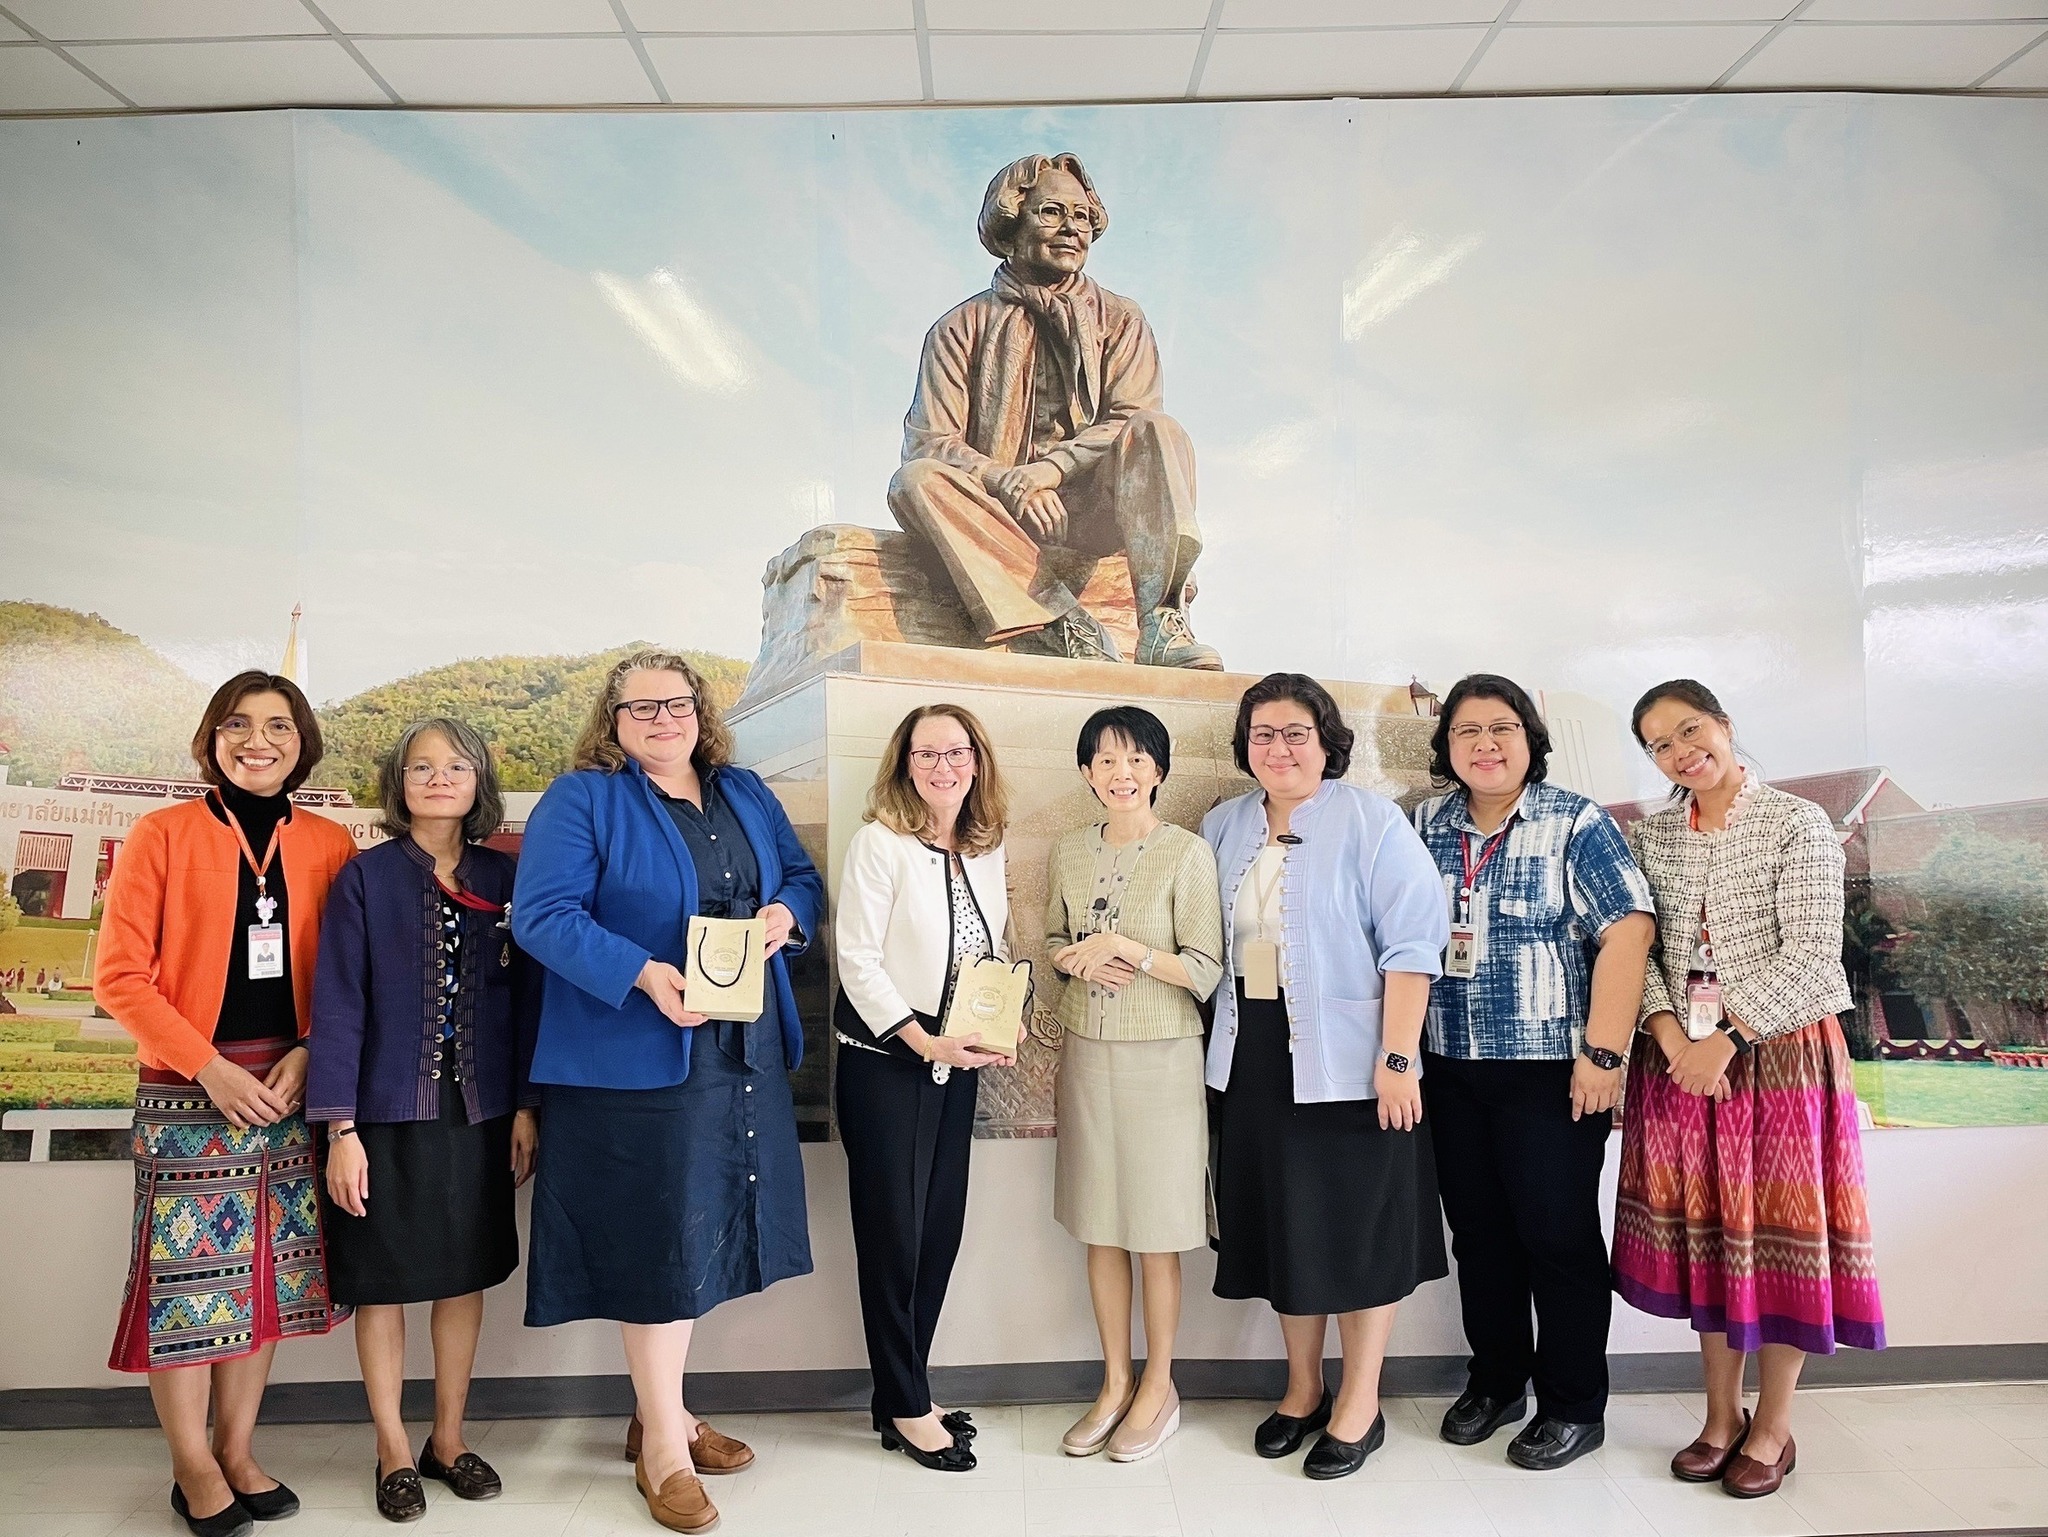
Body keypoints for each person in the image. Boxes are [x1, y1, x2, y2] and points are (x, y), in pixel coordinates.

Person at [512, 650, 823, 1535]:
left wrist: (784, 915)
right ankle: (663, 1451)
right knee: (660, 1244)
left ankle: (665, 1412)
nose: (660, 718)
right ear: (611, 721)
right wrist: (645, 973)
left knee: (701, 1236)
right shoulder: (584, 799)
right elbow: (543, 916)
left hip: (740, 1053)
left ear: (700, 709)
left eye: (675, 703)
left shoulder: (746, 790)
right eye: (638, 706)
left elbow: (802, 879)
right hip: (634, 1060)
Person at [96, 671, 358, 1537]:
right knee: (190, 1284)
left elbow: (351, 977)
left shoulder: (328, 842)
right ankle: (192, 1462)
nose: (260, 740)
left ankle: (238, 1447)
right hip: (188, 1087)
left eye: (279, 726)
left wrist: (314, 1048)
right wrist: (207, 1068)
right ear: (212, 738)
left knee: (264, 1280)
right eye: (239, 725)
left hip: (289, 1084)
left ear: (302, 740)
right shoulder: (161, 833)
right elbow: (119, 978)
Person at [1616, 679, 1885, 1500]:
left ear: (1724, 725)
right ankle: (1719, 1416)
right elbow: (1645, 951)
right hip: (1679, 1058)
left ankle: (1773, 1424)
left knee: (1775, 1235)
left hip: (1777, 1059)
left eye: (1690, 730)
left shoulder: (1796, 821)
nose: (1680, 751)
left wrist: (1728, 1038)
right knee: (1708, 1235)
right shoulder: (1654, 834)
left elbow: (1814, 959)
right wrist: (1669, 1036)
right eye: (1660, 744)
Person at [1203, 673, 1450, 1481]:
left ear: (1327, 741)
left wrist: (1398, 1057)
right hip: (1253, 1055)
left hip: (1353, 1059)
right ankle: (1302, 1388)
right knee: (1287, 1224)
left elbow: (1415, 944)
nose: (1279, 747)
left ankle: (1361, 1402)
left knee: (1358, 1230)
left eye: (1295, 732)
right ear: (1245, 746)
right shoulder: (1222, 824)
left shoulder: (1371, 821)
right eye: (1263, 733)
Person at [1411, 675, 1655, 1470]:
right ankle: (1498, 1380)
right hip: (1449, 1065)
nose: (1486, 743)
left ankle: (1575, 1403)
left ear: (1530, 738)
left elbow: (1627, 931)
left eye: (1503, 728)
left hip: (1552, 1071)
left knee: (1556, 1237)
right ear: (1447, 747)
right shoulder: (1426, 823)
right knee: (1479, 1237)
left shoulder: (1572, 820)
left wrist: (1604, 1053)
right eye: (1468, 731)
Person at [308, 717, 541, 1522]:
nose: (438, 778)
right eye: (420, 766)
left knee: (463, 1275)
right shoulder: (365, 878)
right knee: (384, 1288)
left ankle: (448, 1437)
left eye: (455, 765)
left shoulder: (504, 880)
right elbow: (337, 1006)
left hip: (477, 1114)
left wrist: (525, 1107)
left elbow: (527, 1002)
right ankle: (392, 1448)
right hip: (381, 1117)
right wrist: (340, 1129)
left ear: (480, 779)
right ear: (396, 781)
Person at [888, 152, 1220, 669]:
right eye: (1051, 213)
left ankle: (1161, 624)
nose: (1072, 229)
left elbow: (1128, 417)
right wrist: (1008, 482)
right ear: (1011, 220)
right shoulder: (958, 328)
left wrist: (1049, 470)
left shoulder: (1122, 319)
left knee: (1157, 428)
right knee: (915, 480)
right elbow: (930, 441)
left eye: (1082, 216)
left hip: (1098, 507)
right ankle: (1056, 624)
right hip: (1004, 515)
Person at [834, 703, 1019, 1473]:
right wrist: (919, 1037)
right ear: (904, 763)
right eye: (925, 753)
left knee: (938, 1229)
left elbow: (989, 947)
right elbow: (858, 960)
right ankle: (908, 1405)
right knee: (894, 1237)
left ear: (977, 759)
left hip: (957, 1063)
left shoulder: (985, 844)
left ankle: (902, 1390)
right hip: (888, 1063)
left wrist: (997, 1023)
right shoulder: (880, 844)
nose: (942, 766)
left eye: (956, 751)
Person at [1044, 706, 1223, 1461]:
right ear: (1087, 771)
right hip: (1088, 1054)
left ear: (1158, 769)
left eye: (1137, 759)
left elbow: (1207, 970)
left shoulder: (1187, 853)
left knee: (1155, 1229)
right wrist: (1070, 958)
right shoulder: (1067, 851)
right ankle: (1114, 1381)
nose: (1122, 773)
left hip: (1162, 1059)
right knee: (1100, 1222)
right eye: (1106, 760)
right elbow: (1051, 940)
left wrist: (1130, 950)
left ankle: (1160, 1384)